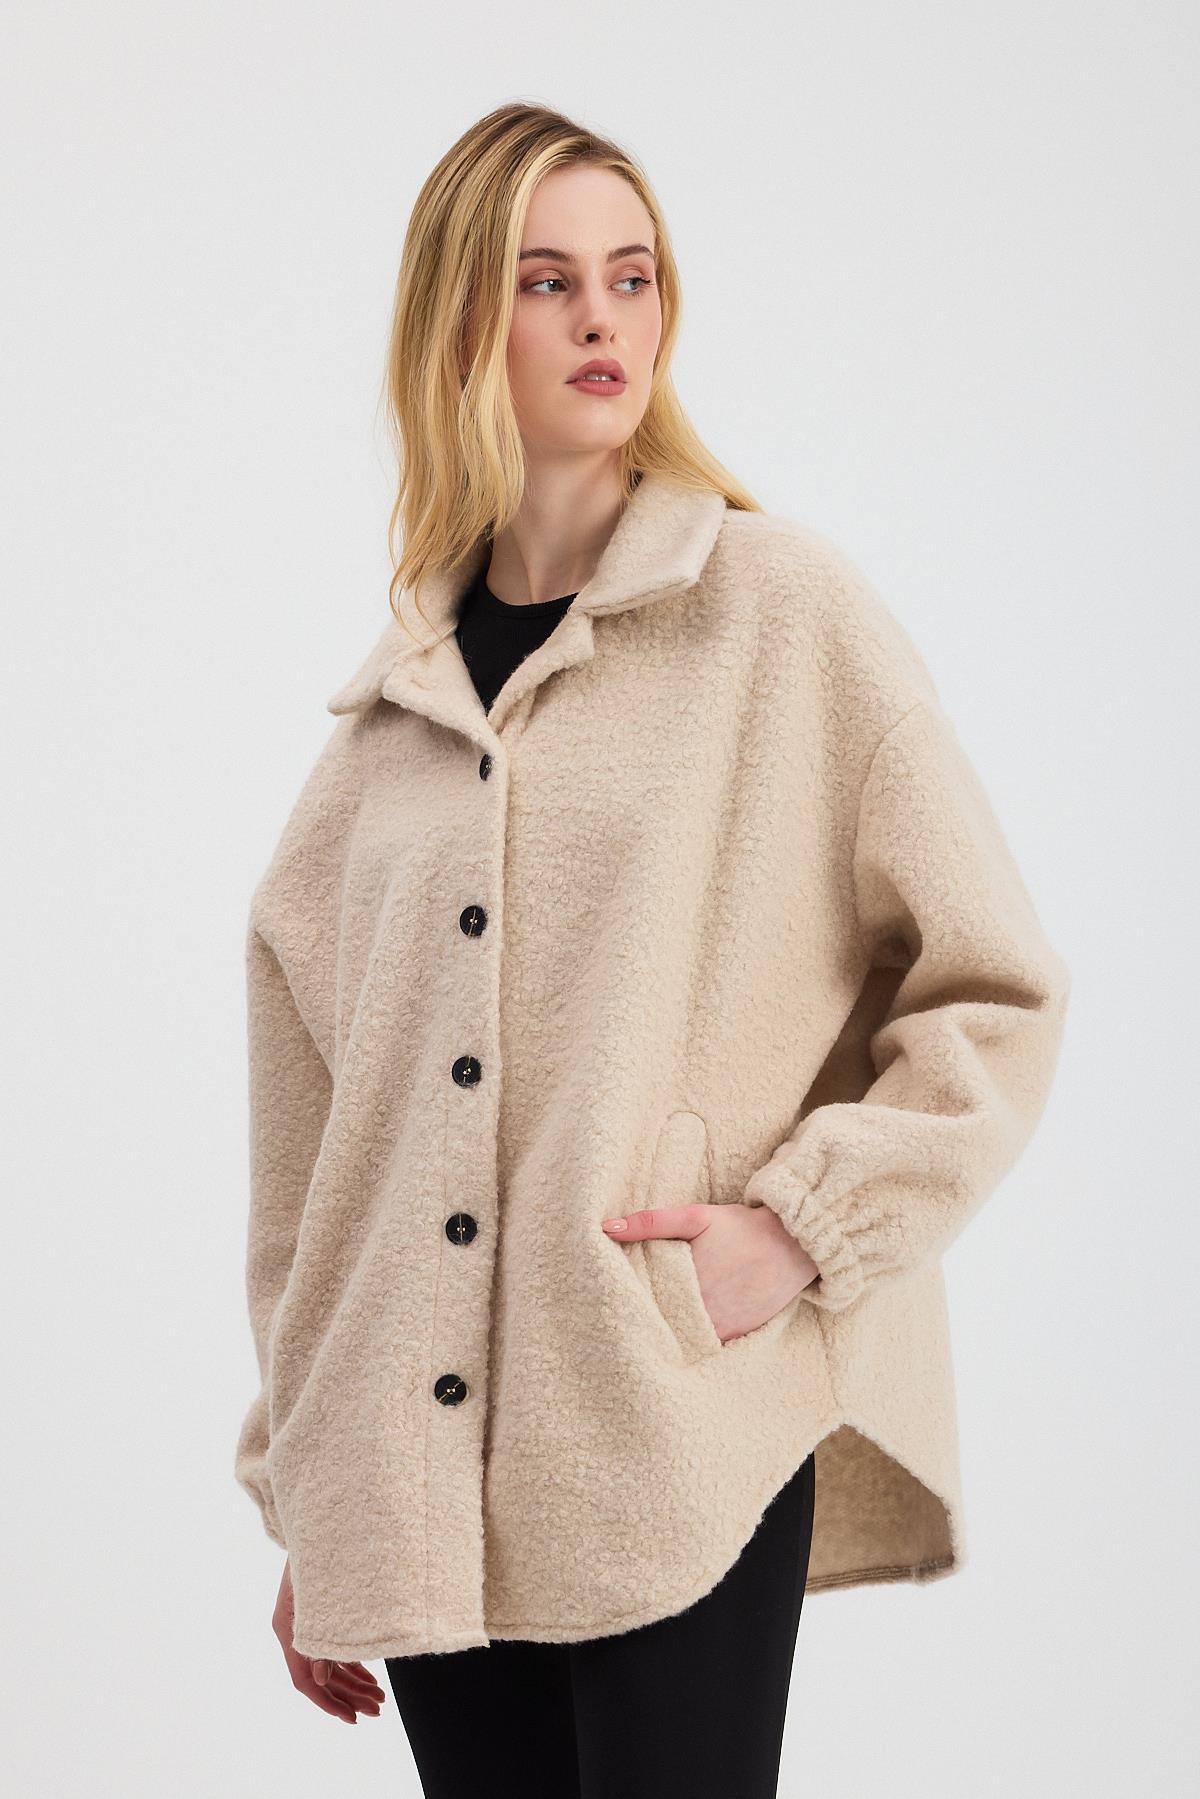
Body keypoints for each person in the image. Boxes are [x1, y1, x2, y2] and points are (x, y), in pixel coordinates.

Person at [233, 102, 1070, 1798]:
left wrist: (803, 1228)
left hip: (672, 1416)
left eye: (633, 276)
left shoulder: (780, 613)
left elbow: (995, 986)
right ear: (460, 322)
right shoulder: (383, 733)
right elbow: (317, 1170)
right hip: (418, 1469)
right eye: (547, 281)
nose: (602, 317)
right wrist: (311, 1483)